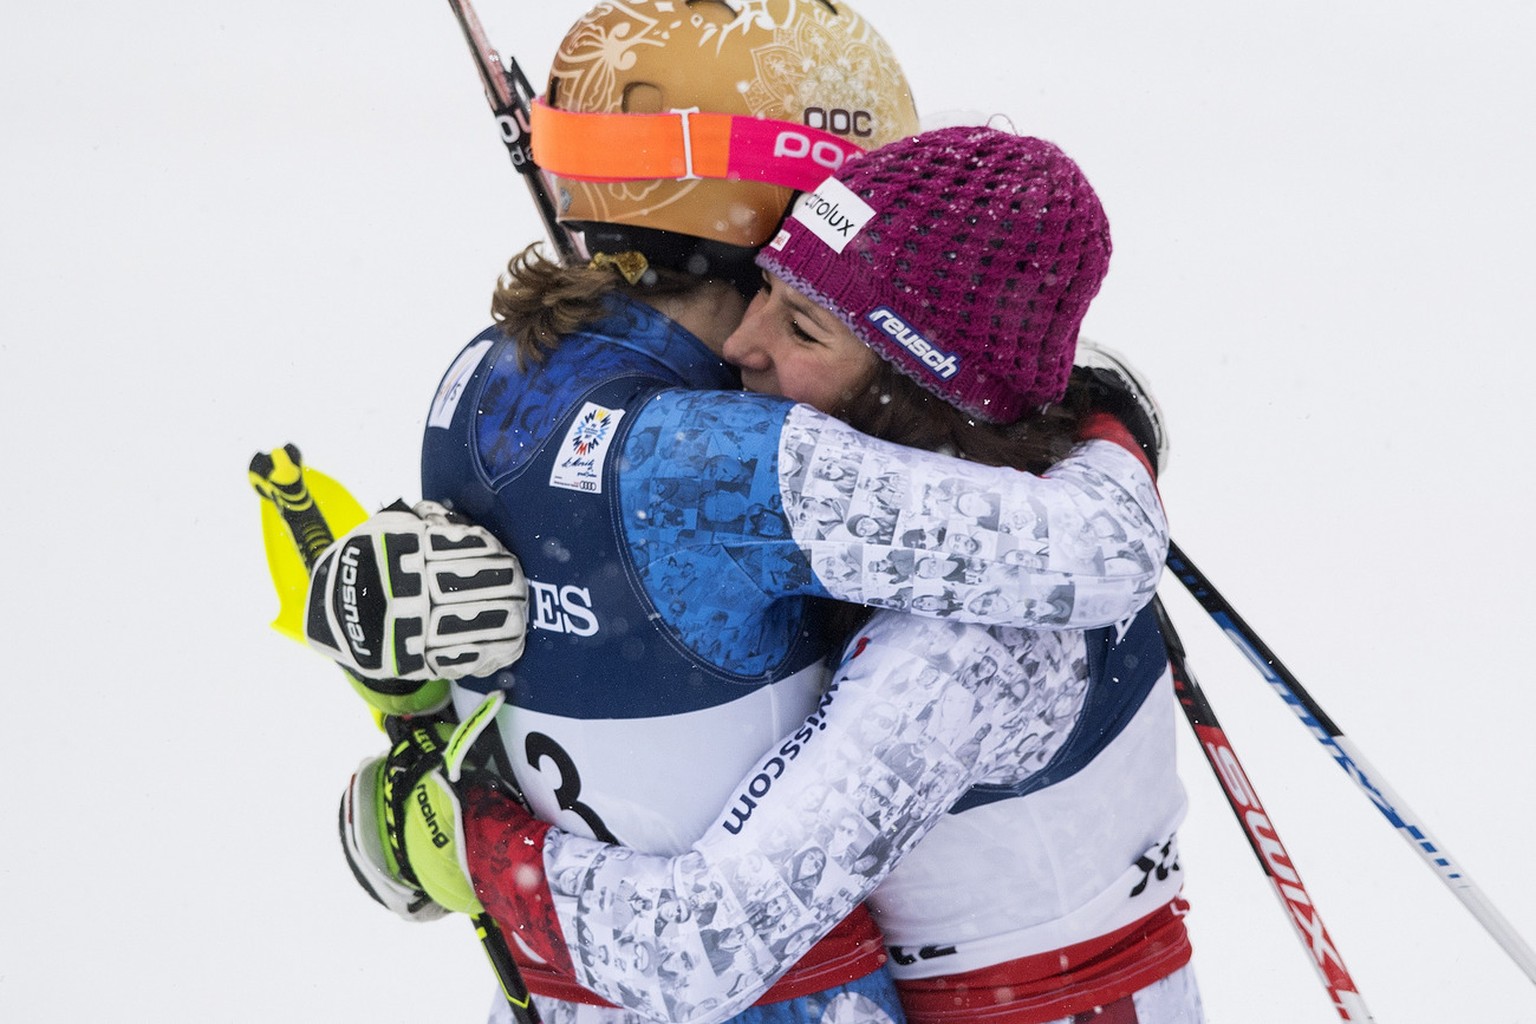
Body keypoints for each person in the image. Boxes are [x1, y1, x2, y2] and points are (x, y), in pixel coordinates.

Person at [306, 4, 1169, 1021]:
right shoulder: (726, 451)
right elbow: (1095, 548)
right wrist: (1102, 426)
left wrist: (436, 794)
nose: (756, 341)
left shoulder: (482, 377)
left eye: (802, 310)